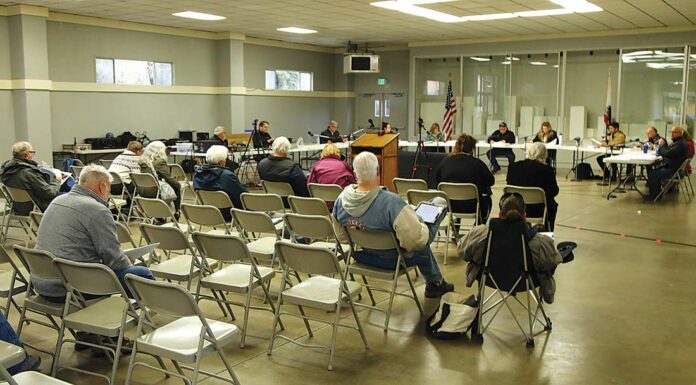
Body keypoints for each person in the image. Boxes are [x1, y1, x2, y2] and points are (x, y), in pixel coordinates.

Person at [333, 151, 454, 298]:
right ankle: (435, 283)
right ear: (378, 171)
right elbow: (416, 243)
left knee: (413, 231)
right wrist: (421, 224)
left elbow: (342, 238)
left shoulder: (340, 201)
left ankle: (435, 283)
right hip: (394, 260)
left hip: (364, 256)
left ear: (354, 173)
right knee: (438, 204)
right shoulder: (391, 203)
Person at [33, 164, 154, 301]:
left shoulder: (57, 200)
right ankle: (137, 315)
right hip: (72, 288)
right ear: (103, 186)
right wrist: (126, 259)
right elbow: (116, 262)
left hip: (41, 283)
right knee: (141, 273)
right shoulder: (97, 210)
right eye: (109, 188)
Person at [457, 193, 562, 304]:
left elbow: (462, 252)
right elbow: (552, 262)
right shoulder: (539, 243)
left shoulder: (480, 235)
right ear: (524, 215)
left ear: (500, 214)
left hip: (490, 278)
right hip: (525, 282)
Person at [433, 134, 494, 224]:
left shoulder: (445, 161)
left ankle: (454, 227)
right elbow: (491, 181)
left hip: (449, 205)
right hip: (472, 206)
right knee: (487, 193)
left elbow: (436, 179)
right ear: (472, 149)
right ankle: (478, 226)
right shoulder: (478, 164)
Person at [506, 142, 559, 231]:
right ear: (544, 155)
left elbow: (509, 185)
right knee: (552, 206)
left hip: (516, 206)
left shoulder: (513, 167)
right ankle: (547, 232)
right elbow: (554, 191)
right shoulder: (547, 170)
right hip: (538, 210)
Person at [0, 142, 62, 215]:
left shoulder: (6, 170)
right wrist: (57, 180)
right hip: (37, 207)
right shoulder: (28, 173)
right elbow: (50, 193)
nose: (32, 155)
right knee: (67, 195)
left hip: (17, 207)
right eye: (32, 152)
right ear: (26, 154)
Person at [193, 145, 248, 222]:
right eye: (226, 159)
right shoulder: (227, 176)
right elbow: (243, 196)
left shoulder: (197, 174)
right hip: (229, 215)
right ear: (221, 162)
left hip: (209, 213)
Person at [139, 141, 181, 217]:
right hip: (154, 191)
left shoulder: (142, 161)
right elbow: (169, 178)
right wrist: (178, 184)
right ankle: (177, 211)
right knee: (176, 186)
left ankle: (157, 214)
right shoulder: (160, 162)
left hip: (141, 190)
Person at [307, 144, 355, 209]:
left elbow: (309, 184)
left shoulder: (317, 165)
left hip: (322, 205)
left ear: (323, 153)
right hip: (340, 205)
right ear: (338, 152)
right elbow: (353, 182)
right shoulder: (343, 165)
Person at [648, 126, 689, 200]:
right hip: (675, 168)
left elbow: (667, 153)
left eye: (674, 132)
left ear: (680, 133)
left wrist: (662, 145)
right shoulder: (679, 142)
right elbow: (669, 151)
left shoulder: (680, 144)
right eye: (671, 132)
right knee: (654, 170)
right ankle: (657, 193)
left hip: (674, 171)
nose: (672, 134)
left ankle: (655, 196)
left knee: (652, 173)